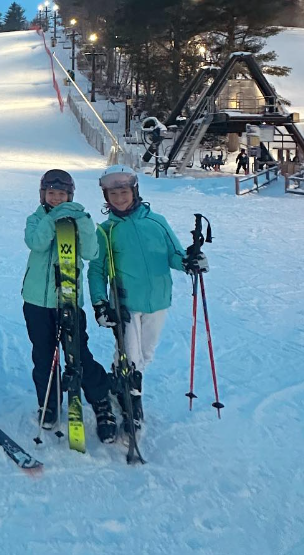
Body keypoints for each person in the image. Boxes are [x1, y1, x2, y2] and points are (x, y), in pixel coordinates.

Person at [88, 165, 206, 434]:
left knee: (146, 354)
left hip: (158, 300)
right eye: (113, 194)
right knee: (132, 357)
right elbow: (96, 270)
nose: (119, 198)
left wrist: (189, 261)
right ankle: (132, 401)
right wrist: (100, 303)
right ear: (106, 197)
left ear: (134, 191)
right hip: (125, 303)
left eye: (124, 192)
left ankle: (118, 382)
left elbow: (174, 254)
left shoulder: (157, 222)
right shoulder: (106, 230)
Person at [22, 169, 116, 441]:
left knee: (78, 355)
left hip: (69, 301)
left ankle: (100, 400)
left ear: (70, 196)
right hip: (37, 302)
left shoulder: (80, 219)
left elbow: (91, 252)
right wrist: (53, 219)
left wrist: (82, 220)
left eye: (61, 194)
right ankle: (49, 403)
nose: (56, 199)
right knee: (43, 356)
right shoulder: (36, 219)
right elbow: (37, 243)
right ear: (43, 194)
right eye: (51, 193)